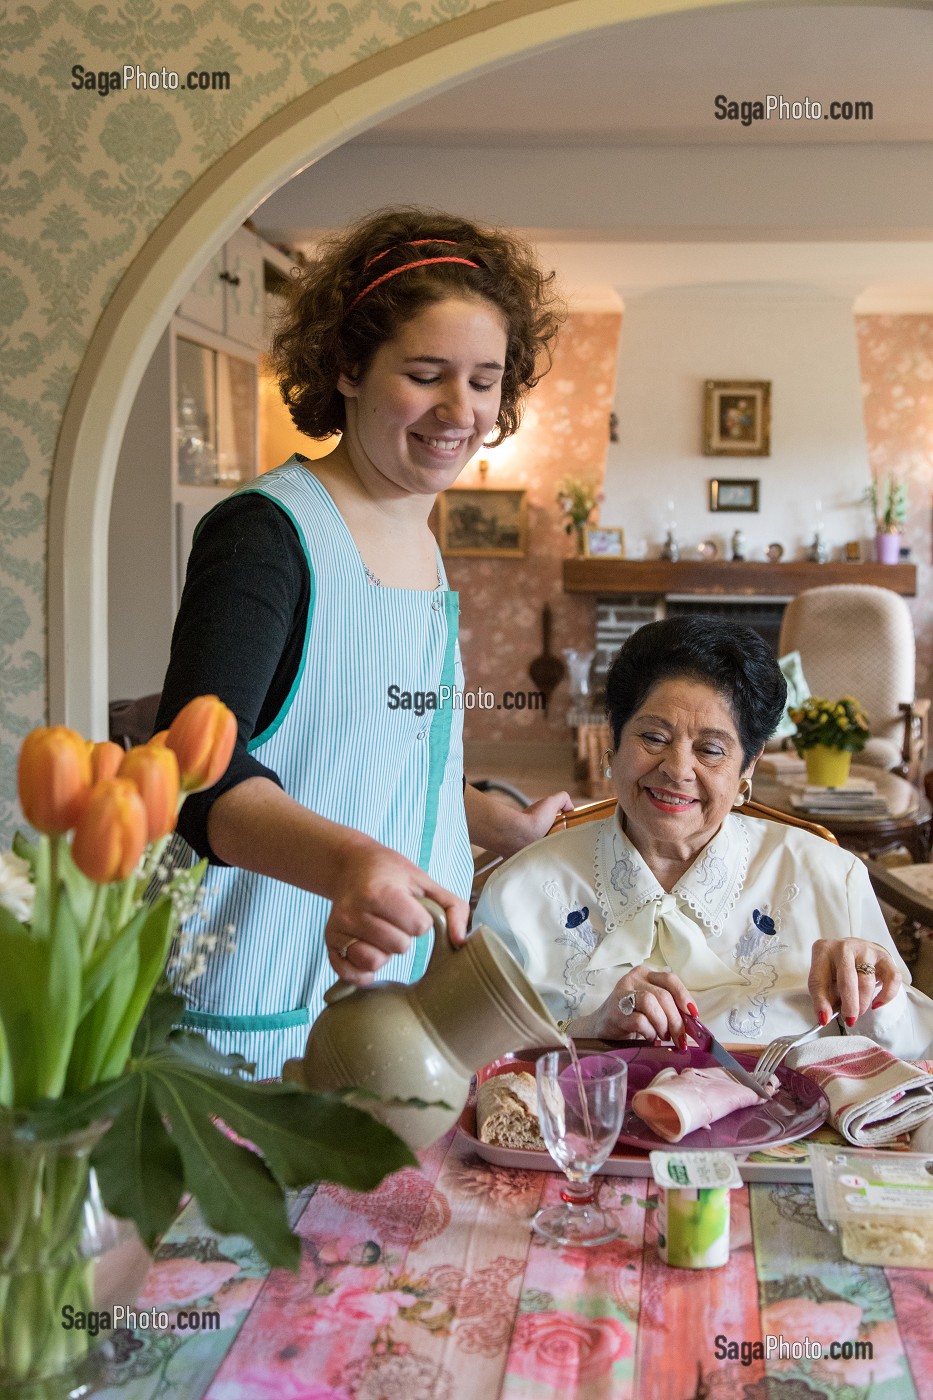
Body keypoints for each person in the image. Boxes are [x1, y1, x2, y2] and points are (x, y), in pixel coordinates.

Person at [156, 207, 573, 1077]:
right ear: (347, 366)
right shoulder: (266, 535)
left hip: (394, 1006)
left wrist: (488, 819)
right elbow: (195, 776)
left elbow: (377, 751)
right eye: (426, 374)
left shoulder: (420, 544)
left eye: (486, 380)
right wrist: (351, 861)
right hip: (256, 1004)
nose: (461, 411)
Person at [475, 616, 933, 1060]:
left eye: (711, 749)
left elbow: (917, 1048)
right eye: (653, 737)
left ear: (747, 766)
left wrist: (877, 995)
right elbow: (465, 1057)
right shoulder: (521, 890)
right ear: (613, 739)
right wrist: (587, 1031)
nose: (677, 769)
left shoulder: (830, 878)